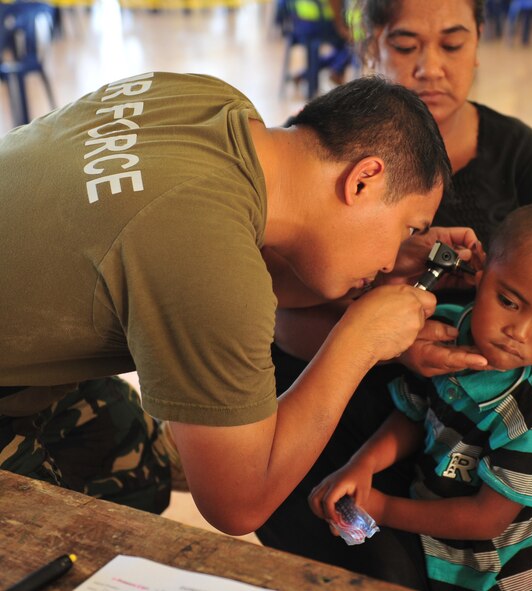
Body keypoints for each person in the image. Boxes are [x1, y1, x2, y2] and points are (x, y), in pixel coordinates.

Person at [258, 2, 532, 590]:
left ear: (478, 43)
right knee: (373, 556)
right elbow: (276, 316)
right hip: (342, 399)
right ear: (370, 44)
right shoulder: (322, 149)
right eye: (405, 45)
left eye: (451, 44)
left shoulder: (519, 155)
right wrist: (389, 345)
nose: (430, 68)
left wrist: (531, 348)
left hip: (491, 398)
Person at [0, 73, 470, 534]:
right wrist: (359, 341)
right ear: (364, 180)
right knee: (56, 546)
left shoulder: (213, 104)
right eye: (409, 227)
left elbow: (221, 266)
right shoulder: (204, 256)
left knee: (131, 455)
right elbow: (238, 506)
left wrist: (372, 273)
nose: (392, 259)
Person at [310, 204, 532, 591]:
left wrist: (381, 508)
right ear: (481, 277)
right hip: (452, 559)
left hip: (515, 574)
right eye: (509, 302)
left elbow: (486, 520)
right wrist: (362, 464)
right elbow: (416, 414)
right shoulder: (445, 331)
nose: (519, 331)